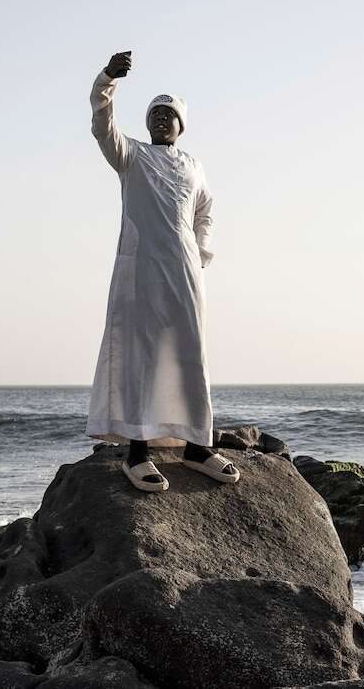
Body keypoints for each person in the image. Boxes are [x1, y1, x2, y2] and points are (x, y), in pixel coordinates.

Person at [87, 50, 240, 492]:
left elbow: (206, 209)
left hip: (186, 271)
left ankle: (195, 445)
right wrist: (107, 80)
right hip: (140, 272)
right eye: (153, 113)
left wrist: (201, 250)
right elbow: (102, 123)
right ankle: (137, 451)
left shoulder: (194, 165)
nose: (159, 119)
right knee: (141, 355)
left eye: (167, 114)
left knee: (190, 353)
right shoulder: (131, 155)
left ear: (181, 124)